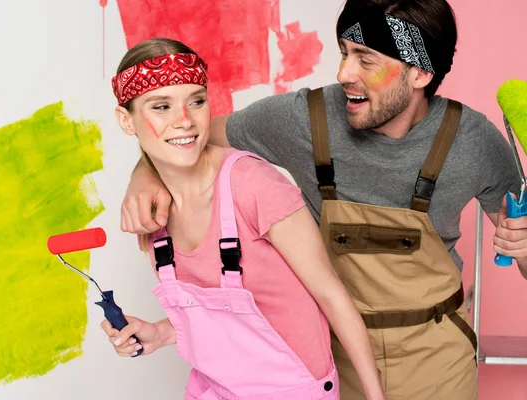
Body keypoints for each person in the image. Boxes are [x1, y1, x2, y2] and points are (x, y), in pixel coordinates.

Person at [118, 1, 527, 399]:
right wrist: (144, 175)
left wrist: (523, 247)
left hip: (437, 358)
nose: (343, 73)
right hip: (331, 357)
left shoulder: (472, 141)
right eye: (344, 53)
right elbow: (191, 136)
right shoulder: (302, 118)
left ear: (419, 73)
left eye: (365, 59)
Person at [100, 37, 387, 400]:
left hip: (293, 390)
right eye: (162, 107)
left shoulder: (253, 185)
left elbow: (332, 296)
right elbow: (219, 321)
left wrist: (376, 397)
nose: (185, 121)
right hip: (213, 388)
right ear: (126, 121)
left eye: (197, 101)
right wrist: (161, 333)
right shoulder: (149, 216)